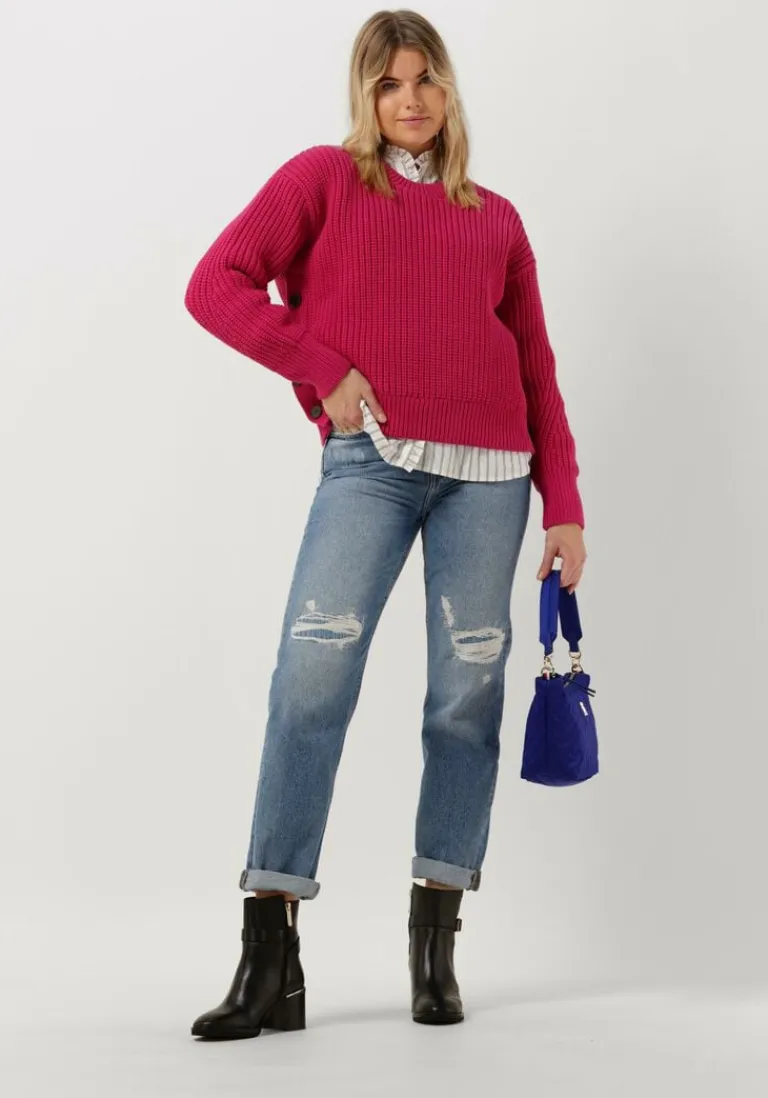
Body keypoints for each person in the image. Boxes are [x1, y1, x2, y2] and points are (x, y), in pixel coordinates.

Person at [183, 8, 587, 1037]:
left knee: (465, 702)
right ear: (365, 96)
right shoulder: (323, 179)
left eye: (427, 79)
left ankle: (435, 946)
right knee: (309, 682)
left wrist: (566, 506)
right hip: (369, 465)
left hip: (493, 477)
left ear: (449, 91)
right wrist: (323, 369)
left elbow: (535, 366)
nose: (411, 99)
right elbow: (215, 285)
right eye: (389, 83)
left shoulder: (496, 219)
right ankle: (270, 951)